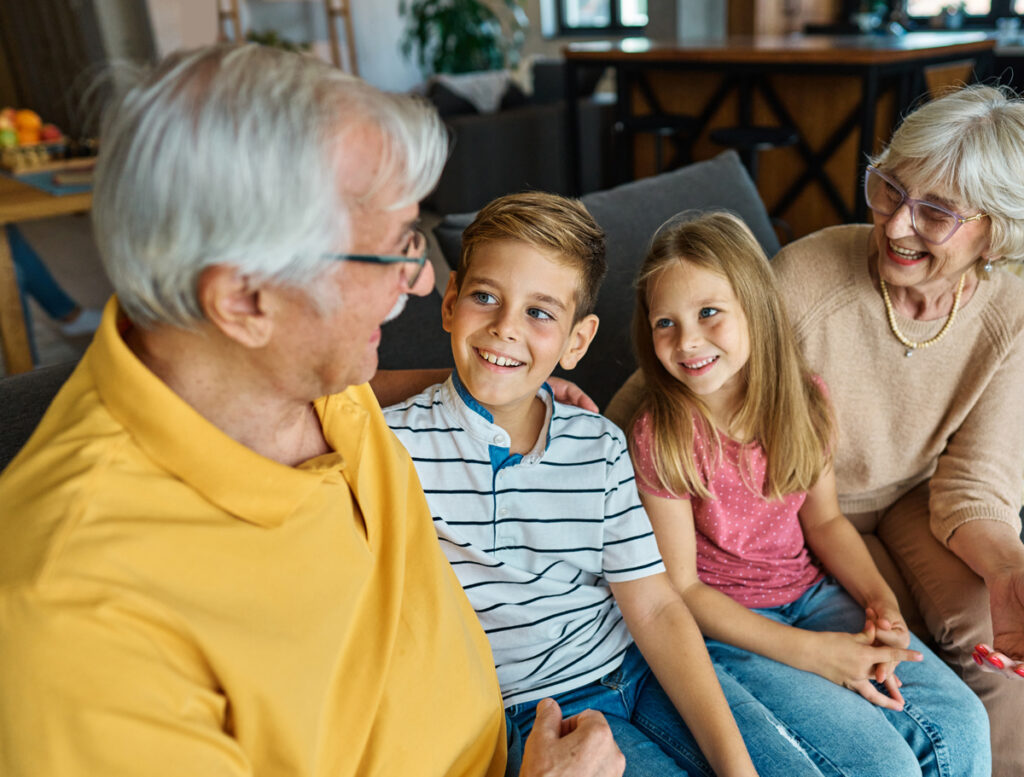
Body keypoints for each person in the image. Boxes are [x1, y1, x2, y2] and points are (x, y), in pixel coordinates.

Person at [0, 44, 624, 777]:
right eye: (393, 252)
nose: (423, 281)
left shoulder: (294, 371)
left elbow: (361, 393)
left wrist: (495, 381)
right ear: (244, 299)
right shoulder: (78, 614)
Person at [607, 84, 1024, 777]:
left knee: (967, 689)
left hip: (880, 511)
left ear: (996, 230)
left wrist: (998, 567)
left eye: (938, 212)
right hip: (778, 549)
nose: (895, 226)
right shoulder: (801, 284)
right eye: (888, 189)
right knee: (883, 736)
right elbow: (664, 385)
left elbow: (976, 478)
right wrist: (568, 428)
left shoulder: (1006, 310)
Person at [382, 193, 762, 777]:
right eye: (485, 298)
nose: (505, 329)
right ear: (450, 302)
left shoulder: (599, 442)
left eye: (539, 313)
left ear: (577, 342)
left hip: (637, 672)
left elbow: (657, 608)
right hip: (530, 715)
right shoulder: (391, 447)